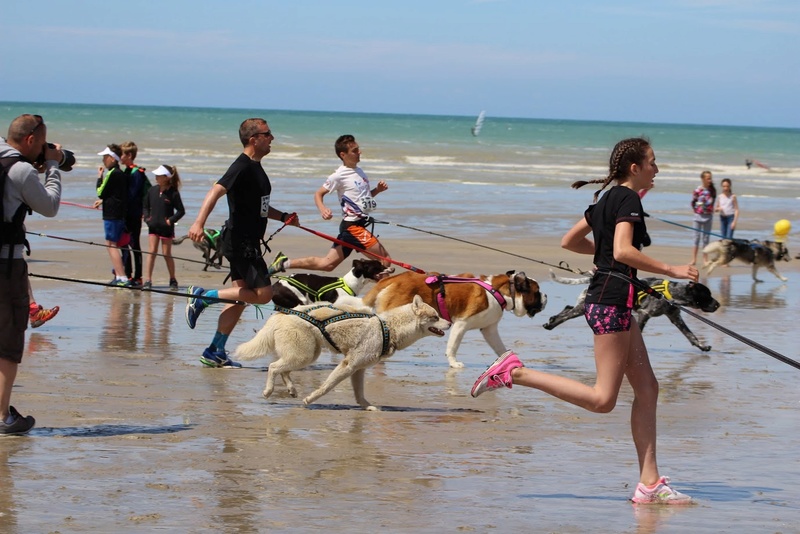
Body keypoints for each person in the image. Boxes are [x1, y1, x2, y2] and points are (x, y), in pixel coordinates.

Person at [471, 138, 699, 504]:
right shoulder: (626, 200)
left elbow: (570, 241)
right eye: (653, 162)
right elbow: (623, 251)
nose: (658, 169)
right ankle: (515, 372)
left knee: (648, 389)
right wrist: (672, 269)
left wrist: (607, 254)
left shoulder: (607, 198)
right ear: (635, 168)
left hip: (615, 300)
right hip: (610, 303)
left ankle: (650, 483)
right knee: (602, 399)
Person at [185, 118, 299, 368]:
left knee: (239, 299)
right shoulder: (243, 165)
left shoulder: (256, 168)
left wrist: (283, 217)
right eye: (267, 134)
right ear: (253, 139)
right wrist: (198, 223)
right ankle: (203, 297)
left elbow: (259, 208)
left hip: (243, 240)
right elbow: (215, 190)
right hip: (242, 241)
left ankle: (215, 350)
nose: (272, 138)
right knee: (264, 295)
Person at [0, 114, 63, 435]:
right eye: (41, 143)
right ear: (29, 141)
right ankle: (3, 417)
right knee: (9, 343)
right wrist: (51, 166)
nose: (43, 148)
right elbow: (50, 206)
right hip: (7, 268)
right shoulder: (21, 169)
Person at [268, 134, 391, 275]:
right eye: (355, 150)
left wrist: (377, 190)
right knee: (385, 261)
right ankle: (381, 296)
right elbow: (318, 194)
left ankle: (284, 263)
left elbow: (363, 198)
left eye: (358, 149)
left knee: (327, 264)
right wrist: (323, 209)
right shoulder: (338, 175)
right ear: (343, 154)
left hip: (358, 225)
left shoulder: (359, 171)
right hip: (353, 227)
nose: (359, 152)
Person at [93, 144, 131, 287]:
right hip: (118, 213)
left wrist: (99, 177)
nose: (103, 160)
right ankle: (120, 275)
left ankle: (122, 277)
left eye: (105, 157)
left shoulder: (113, 173)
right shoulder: (120, 174)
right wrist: (102, 201)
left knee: (111, 244)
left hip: (112, 215)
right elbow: (114, 194)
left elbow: (101, 191)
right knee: (112, 244)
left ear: (112, 158)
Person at [143, 164, 185, 290]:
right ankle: (148, 280)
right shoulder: (152, 190)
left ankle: (172, 279)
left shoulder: (173, 193)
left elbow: (181, 211)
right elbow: (145, 206)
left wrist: (171, 220)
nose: (156, 177)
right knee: (151, 252)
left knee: (166, 253)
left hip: (166, 228)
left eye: (159, 175)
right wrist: (147, 218)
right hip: (153, 226)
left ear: (166, 177)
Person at [120, 141, 151, 287]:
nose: (120, 157)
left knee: (134, 245)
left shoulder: (137, 173)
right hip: (125, 214)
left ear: (129, 155)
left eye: (122, 154)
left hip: (134, 214)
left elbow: (133, 195)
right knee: (123, 244)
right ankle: (127, 274)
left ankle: (138, 277)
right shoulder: (125, 171)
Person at [690, 170, 716, 266]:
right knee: (696, 238)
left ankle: (705, 259)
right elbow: (693, 202)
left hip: (708, 216)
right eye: (708, 178)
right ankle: (694, 259)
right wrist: (697, 210)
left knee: (706, 239)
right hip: (698, 216)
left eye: (710, 178)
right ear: (703, 179)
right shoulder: (698, 190)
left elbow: (713, 201)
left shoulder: (712, 190)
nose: (709, 180)